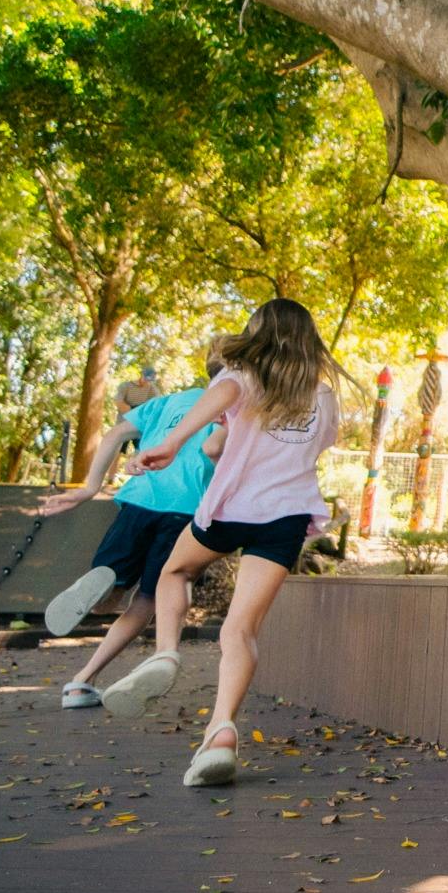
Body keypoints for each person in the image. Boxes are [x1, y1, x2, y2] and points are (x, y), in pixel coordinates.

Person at [96, 299, 351, 788]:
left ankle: (167, 651)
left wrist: (173, 443)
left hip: (232, 510)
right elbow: (314, 447)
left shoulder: (240, 377)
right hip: (286, 520)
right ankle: (221, 732)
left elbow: (216, 423)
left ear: (257, 333)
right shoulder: (322, 396)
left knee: (175, 571)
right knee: (239, 632)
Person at [37, 360, 226, 708]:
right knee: (149, 600)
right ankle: (128, 664)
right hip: (185, 511)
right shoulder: (234, 409)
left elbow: (115, 435)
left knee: (113, 588)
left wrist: (90, 487)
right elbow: (217, 453)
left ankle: (84, 673)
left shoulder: (167, 401)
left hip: (138, 499)